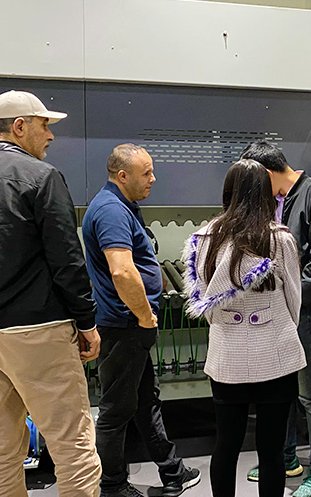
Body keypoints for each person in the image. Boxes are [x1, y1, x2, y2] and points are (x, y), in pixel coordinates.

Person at [0, 90, 102, 496]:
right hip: (36, 331)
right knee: (72, 444)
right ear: (19, 127)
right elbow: (66, 258)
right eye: (44, 125)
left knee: (0, 448)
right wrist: (86, 321)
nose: (50, 135)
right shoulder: (43, 178)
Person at [182, 159, 307, 497]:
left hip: (227, 356)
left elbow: (204, 301)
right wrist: (281, 327)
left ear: (228, 192)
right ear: (265, 193)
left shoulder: (204, 238)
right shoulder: (279, 238)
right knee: (272, 450)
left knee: (226, 444)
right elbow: (294, 297)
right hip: (276, 352)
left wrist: (226, 326)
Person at [83, 144, 201, 497]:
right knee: (116, 410)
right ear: (123, 176)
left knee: (145, 400)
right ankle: (113, 485)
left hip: (131, 325)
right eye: (146, 173)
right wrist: (145, 316)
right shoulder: (111, 211)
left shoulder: (122, 206)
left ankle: (172, 471)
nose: (153, 179)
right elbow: (121, 271)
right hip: (125, 326)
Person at [240, 140, 311, 497]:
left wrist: (292, 301)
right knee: (282, 390)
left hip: (304, 311)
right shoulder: (275, 199)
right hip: (278, 310)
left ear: (267, 173)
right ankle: (286, 457)